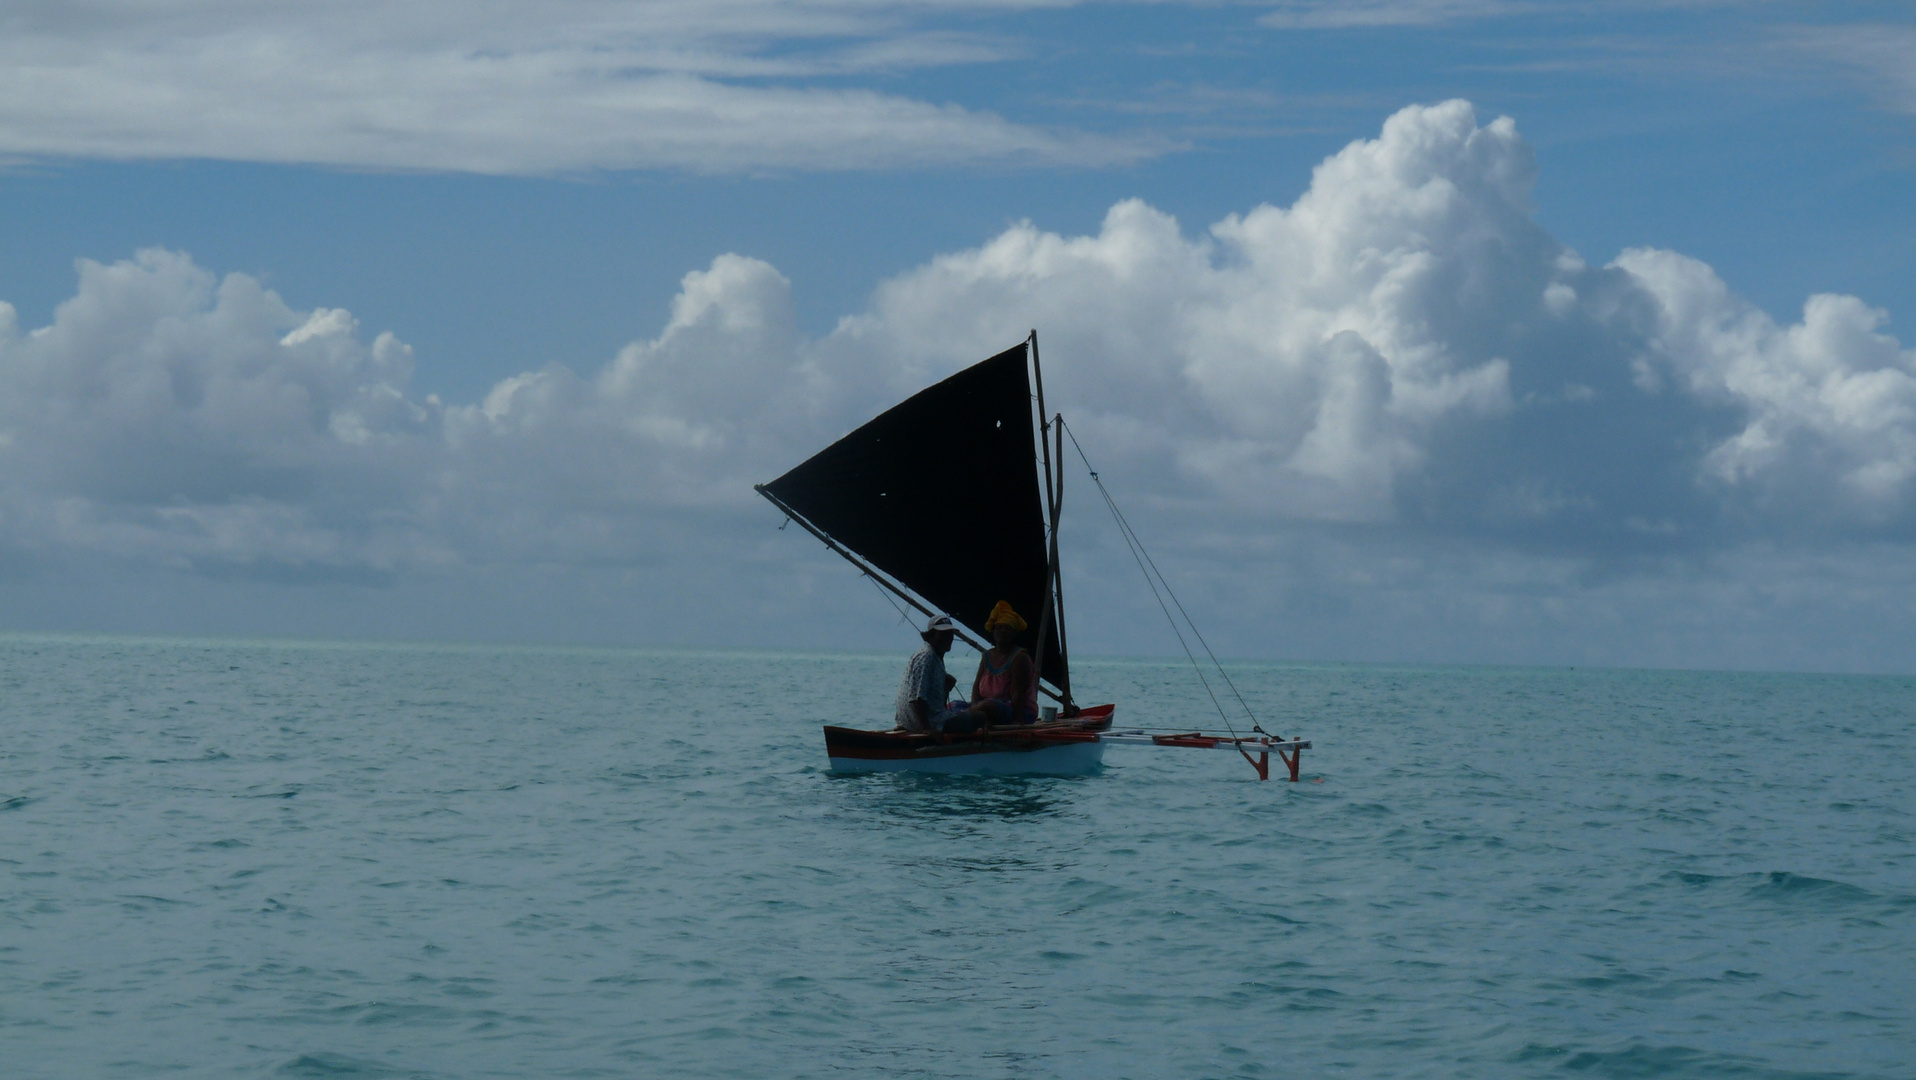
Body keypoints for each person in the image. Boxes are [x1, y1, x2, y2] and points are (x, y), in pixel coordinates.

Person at [893, 614, 983, 735]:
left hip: (916, 721)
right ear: (931, 635)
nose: (948, 638)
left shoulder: (934, 655)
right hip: (925, 723)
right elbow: (916, 698)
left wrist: (946, 686)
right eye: (943, 634)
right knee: (981, 716)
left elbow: (936, 703)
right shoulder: (927, 657)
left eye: (950, 634)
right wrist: (926, 729)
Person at [970, 601, 1038, 727]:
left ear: (1014, 633)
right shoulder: (987, 656)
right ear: (993, 630)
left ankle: (966, 716)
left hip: (1017, 711)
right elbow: (976, 687)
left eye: (1007, 628)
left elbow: (1017, 693)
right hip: (985, 709)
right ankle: (969, 716)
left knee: (987, 705)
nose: (1002, 631)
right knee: (954, 705)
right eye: (999, 627)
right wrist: (975, 708)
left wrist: (1018, 721)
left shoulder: (1019, 657)